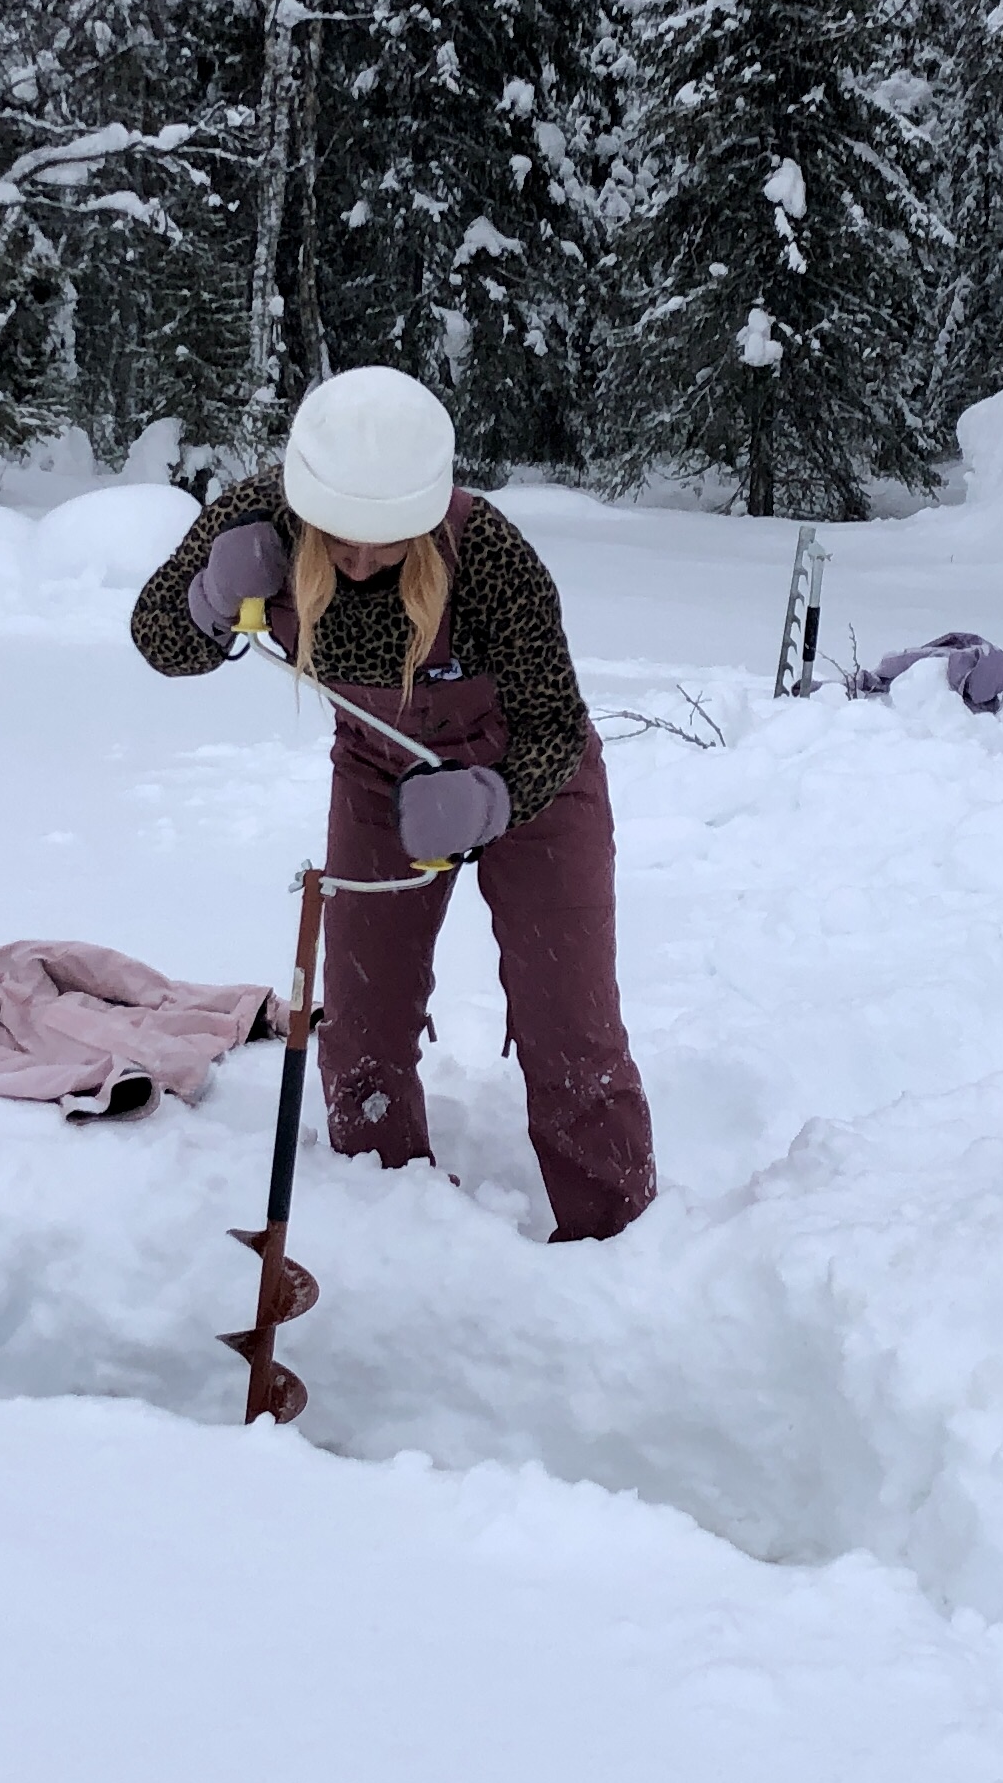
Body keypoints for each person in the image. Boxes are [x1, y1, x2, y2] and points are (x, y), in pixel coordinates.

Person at [131, 367, 656, 1241]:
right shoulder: (257, 517)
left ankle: (619, 1241)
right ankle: (393, 1239)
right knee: (362, 1028)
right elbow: (157, 640)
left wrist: (490, 799)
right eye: (342, 538)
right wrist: (209, 601)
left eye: (387, 540)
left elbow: (557, 725)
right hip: (378, 780)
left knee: (571, 1027)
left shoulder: (489, 555)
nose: (363, 559)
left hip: (535, 787)